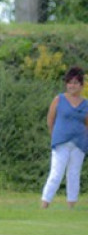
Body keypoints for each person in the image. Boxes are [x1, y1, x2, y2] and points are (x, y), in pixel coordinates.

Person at [41, 66, 88, 209]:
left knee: (74, 174)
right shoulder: (59, 99)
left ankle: (71, 206)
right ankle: (45, 204)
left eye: (75, 83)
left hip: (79, 143)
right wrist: (55, 135)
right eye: (70, 82)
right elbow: (50, 120)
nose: (72, 86)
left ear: (81, 85)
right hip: (61, 142)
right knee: (56, 173)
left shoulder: (86, 103)